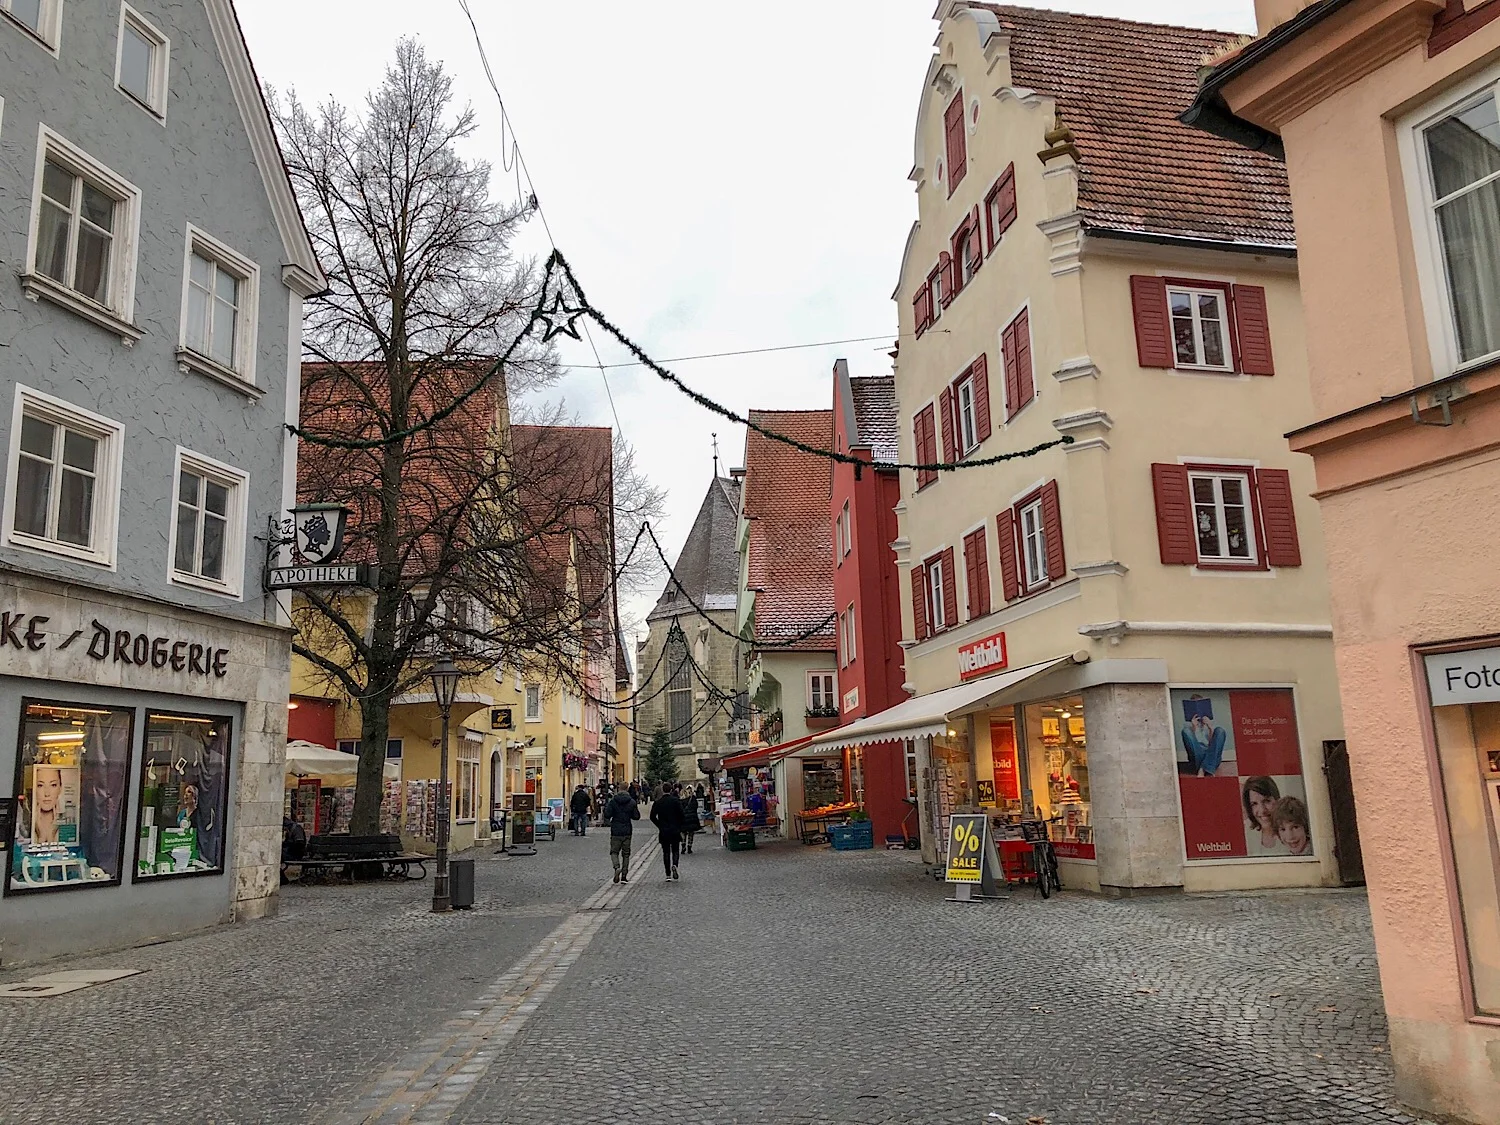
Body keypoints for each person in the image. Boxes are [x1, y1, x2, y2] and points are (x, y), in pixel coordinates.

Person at [1179, 697, 1228, 777]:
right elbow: (1192, 746)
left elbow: (1212, 745)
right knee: (1186, 731)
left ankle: (1202, 768)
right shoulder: (1188, 725)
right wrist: (1194, 727)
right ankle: (1208, 768)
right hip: (1197, 756)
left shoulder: (1209, 722)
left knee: (1220, 730)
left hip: (1212, 755)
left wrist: (1210, 727)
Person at [603, 785, 640, 883]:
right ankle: (624, 875)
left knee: (614, 852)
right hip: (627, 830)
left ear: (619, 789)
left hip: (616, 830)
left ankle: (616, 867)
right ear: (627, 789)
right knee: (626, 854)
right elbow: (636, 816)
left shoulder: (613, 801)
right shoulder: (631, 802)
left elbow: (607, 814)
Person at [651, 782, 686, 881]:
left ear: (662, 790)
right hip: (674, 829)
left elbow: (652, 816)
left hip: (664, 830)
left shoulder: (658, 802)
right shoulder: (675, 801)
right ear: (671, 790)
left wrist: (659, 825)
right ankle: (675, 865)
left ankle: (668, 874)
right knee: (675, 850)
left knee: (666, 852)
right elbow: (682, 815)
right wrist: (679, 826)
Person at [1242, 776, 1284, 854]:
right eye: (1254, 804)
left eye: (1267, 801)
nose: (1262, 810)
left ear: (1277, 800)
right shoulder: (1247, 836)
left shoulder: (1291, 834)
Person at [681, 783, 702, 855]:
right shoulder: (693, 798)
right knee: (691, 833)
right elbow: (696, 806)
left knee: (683, 832)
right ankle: (689, 847)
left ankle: (683, 845)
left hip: (683, 818)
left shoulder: (682, 798)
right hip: (692, 818)